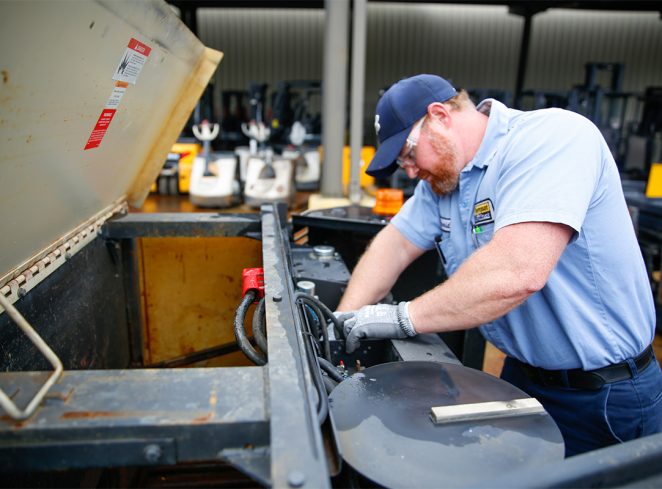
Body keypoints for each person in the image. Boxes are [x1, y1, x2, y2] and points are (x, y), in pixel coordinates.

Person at [335, 74, 662, 457]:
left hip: (603, 394)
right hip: (521, 377)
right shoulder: (443, 183)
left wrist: (399, 317)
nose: (408, 170)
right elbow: (394, 245)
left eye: (407, 154)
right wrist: (346, 317)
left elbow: (516, 273)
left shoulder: (551, 140)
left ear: (439, 116)